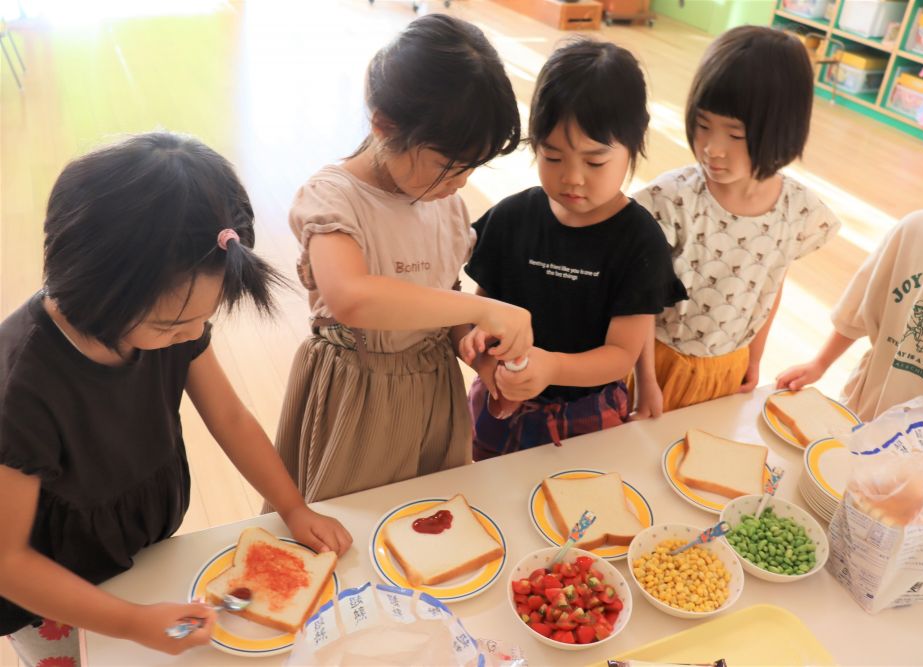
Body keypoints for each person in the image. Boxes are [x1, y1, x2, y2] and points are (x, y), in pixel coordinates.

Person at [0, 132, 351, 667]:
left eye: (202, 321)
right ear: (98, 289)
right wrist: (132, 623)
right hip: (52, 590)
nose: (191, 336)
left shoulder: (168, 323)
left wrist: (292, 505)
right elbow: (9, 562)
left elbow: (230, 417)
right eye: (174, 324)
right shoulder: (20, 390)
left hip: (138, 547)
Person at [273, 14, 530, 501]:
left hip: (434, 393)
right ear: (385, 127)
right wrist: (482, 308)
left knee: (428, 522)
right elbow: (352, 298)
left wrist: (483, 358)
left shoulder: (444, 203)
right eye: (448, 165)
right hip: (357, 397)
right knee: (350, 530)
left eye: (473, 168)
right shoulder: (334, 198)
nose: (461, 183)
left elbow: (443, 302)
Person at [460, 39, 686, 458]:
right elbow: (482, 314)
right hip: (500, 402)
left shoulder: (640, 241)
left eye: (595, 162)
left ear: (633, 149)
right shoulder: (511, 218)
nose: (573, 178)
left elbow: (621, 354)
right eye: (553, 157)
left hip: (588, 411)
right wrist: (485, 360)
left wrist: (553, 369)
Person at [777, 83, 923, 477]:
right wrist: (820, 363)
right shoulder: (916, 230)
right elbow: (862, 307)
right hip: (869, 414)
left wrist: (921, 429)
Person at [630, 26, 840, 418]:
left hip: (728, 369)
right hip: (654, 364)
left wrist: (754, 358)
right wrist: (645, 379)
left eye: (735, 134)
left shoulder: (798, 211)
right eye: (703, 124)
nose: (713, 148)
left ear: (782, 132)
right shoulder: (672, 200)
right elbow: (635, 299)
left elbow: (769, 286)